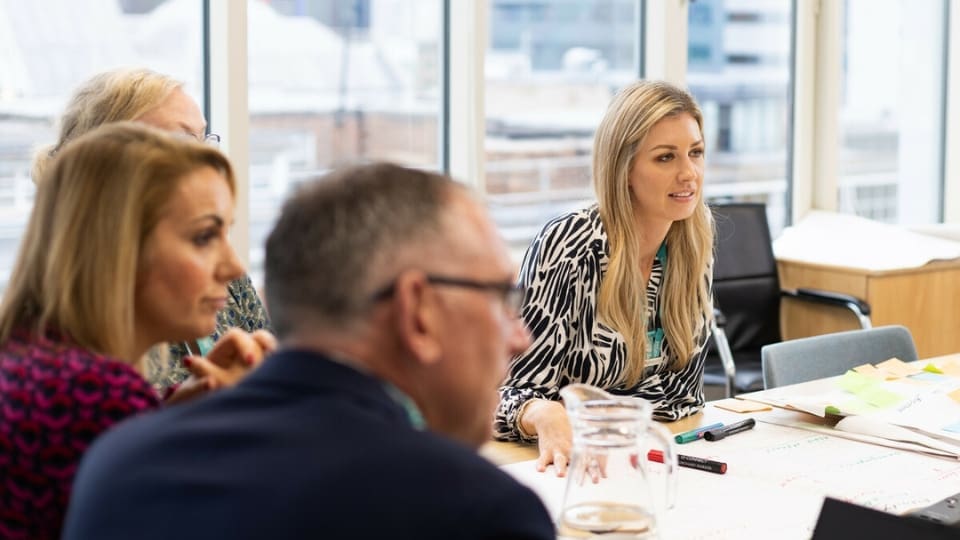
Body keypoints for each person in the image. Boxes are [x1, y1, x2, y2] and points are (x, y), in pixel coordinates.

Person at [62, 163, 555, 540]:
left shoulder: (117, 465)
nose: (520, 337)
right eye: (500, 298)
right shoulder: (476, 512)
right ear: (417, 310)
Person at [0, 123, 274, 540]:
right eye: (204, 237)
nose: (234, 267)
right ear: (118, 247)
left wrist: (169, 417)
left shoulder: (31, 359)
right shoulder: (94, 394)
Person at [494, 80, 715, 475]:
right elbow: (511, 395)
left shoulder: (693, 240)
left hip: (635, 455)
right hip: (556, 465)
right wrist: (543, 412)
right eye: (665, 158)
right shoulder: (569, 245)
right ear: (624, 168)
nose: (689, 173)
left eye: (695, 153)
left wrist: (589, 412)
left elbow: (684, 396)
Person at [31, 67, 271, 392]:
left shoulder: (230, 286)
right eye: (183, 142)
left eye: (205, 140)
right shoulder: (69, 342)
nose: (231, 266)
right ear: (107, 167)